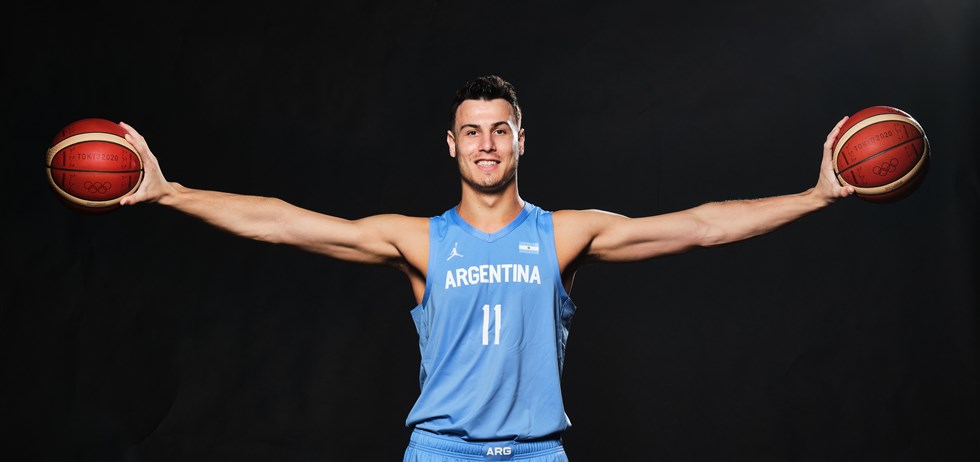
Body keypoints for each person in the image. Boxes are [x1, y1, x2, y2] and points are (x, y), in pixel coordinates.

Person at [118, 75, 853, 461]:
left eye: (500, 130)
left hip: (537, 454)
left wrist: (815, 196)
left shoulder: (565, 235)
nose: (487, 144)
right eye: (471, 132)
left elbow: (699, 227)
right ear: (452, 145)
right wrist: (170, 191)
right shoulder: (420, 241)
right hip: (442, 453)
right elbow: (282, 222)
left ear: (521, 140)